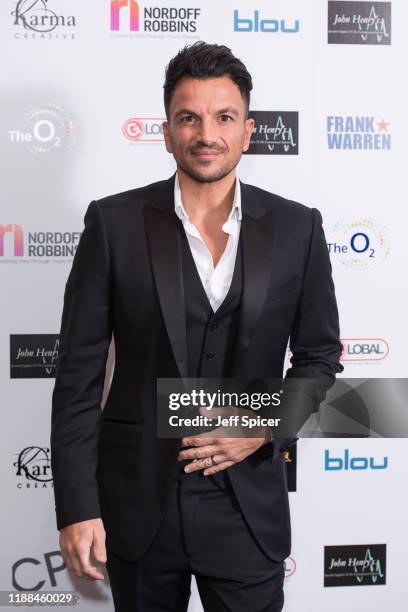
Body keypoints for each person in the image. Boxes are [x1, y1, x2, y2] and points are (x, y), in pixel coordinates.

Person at [51, 41, 343, 611]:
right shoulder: (112, 224)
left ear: (248, 130)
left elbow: (319, 357)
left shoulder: (297, 228)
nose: (206, 133)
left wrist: (260, 426)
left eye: (223, 117)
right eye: (189, 117)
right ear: (166, 132)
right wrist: (79, 507)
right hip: (136, 506)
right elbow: (78, 376)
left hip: (246, 508)